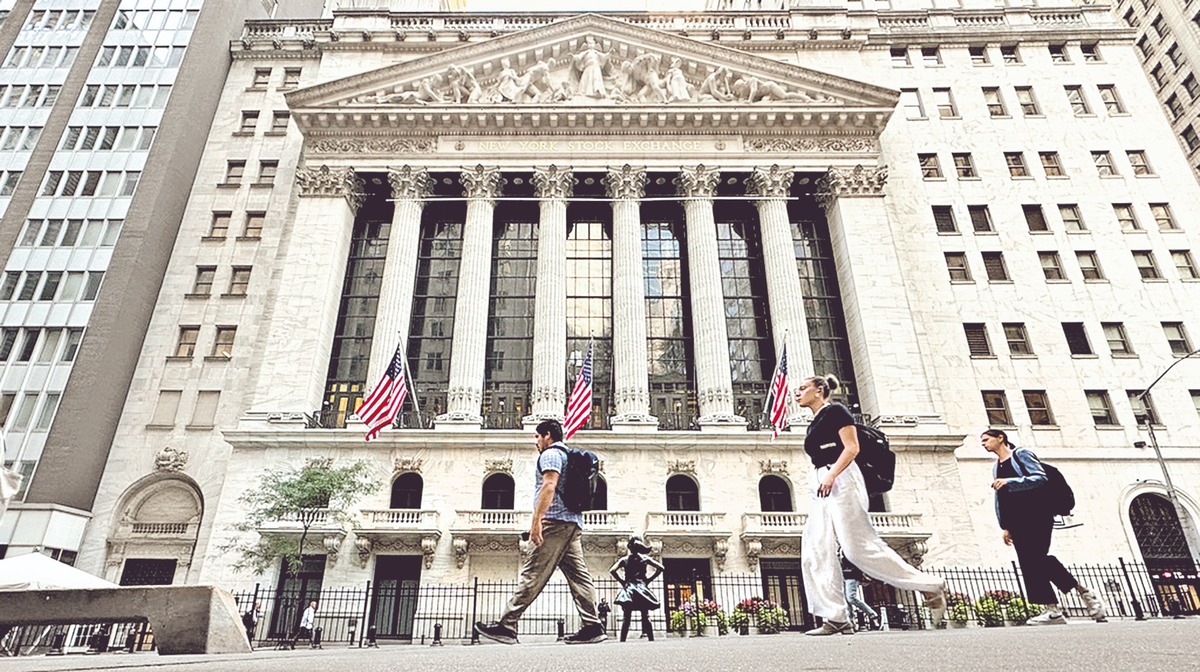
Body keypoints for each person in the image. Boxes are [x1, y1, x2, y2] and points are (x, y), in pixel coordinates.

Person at [796, 374, 946, 635]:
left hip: (841, 477)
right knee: (814, 549)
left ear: (819, 390)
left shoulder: (836, 411)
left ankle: (929, 585)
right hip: (820, 480)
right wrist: (823, 477)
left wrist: (832, 475)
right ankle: (835, 617)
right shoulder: (814, 422)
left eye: (803, 388)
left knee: (857, 548)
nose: (797, 393)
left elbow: (851, 448)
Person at [475, 419, 607, 645]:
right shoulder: (569, 455)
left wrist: (537, 521)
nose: (536, 442)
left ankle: (507, 625)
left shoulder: (551, 455)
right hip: (572, 523)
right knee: (579, 576)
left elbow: (549, 485)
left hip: (554, 522)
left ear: (547, 435)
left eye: (537, 436)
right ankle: (592, 626)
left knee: (533, 573)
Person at [982, 428, 1107, 625]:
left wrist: (1010, 481)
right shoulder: (996, 467)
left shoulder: (1020, 455)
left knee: (1036, 558)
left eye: (986, 439)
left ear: (1001, 438)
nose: (983, 443)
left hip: (1037, 514)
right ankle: (1072, 597)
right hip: (1017, 520)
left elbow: (1040, 478)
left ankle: (1063, 604)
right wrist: (1005, 525)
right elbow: (1002, 498)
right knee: (1030, 562)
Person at [609, 535, 665, 642]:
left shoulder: (624, 560)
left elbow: (612, 570)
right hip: (641, 588)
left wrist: (622, 582)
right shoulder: (644, 558)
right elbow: (661, 568)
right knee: (645, 615)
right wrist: (649, 579)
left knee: (627, 617)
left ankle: (622, 640)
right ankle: (651, 639)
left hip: (629, 588)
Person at [840, 555, 879, 631]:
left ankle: (872, 614)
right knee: (846, 601)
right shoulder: (839, 550)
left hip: (852, 576)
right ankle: (851, 624)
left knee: (851, 598)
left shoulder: (849, 547)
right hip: (843, 577)